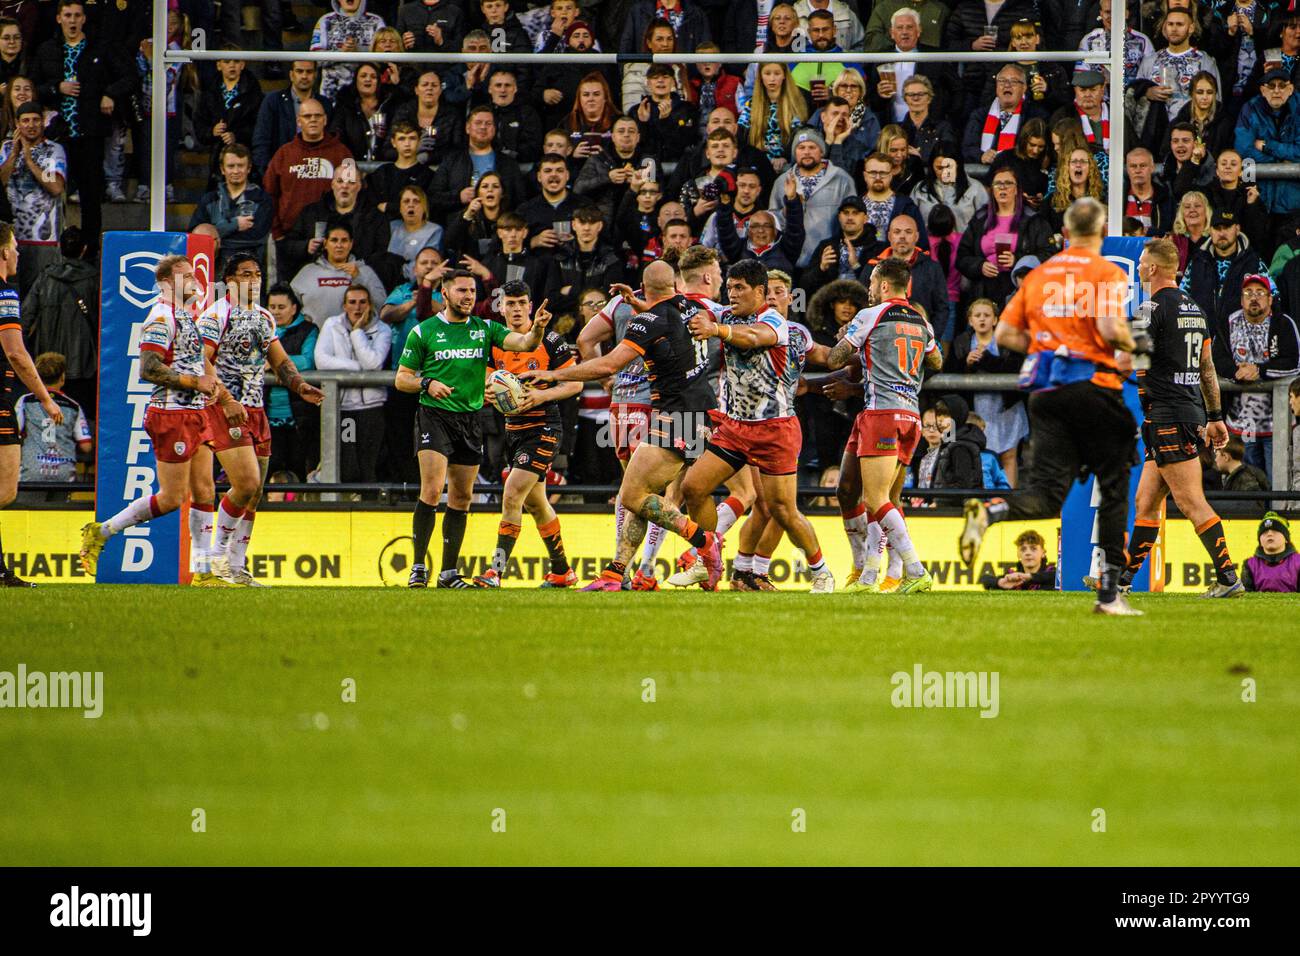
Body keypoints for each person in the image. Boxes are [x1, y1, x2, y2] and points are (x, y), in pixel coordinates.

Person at [959, 198, 1146, 616]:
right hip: (1093, 387)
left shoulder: (1040, 275)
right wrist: (1138, 348)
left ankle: (992, 510)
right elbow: (1111, 327)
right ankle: (1110, 594)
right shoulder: (1105, 272)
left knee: (1045, 495)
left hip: (1045, 393)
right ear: (1099, 234)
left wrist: (1046, 350)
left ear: (1065, 230)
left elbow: (1004, 334)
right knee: (1115, 487)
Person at [520, 260, 725, 590]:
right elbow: (666, 316)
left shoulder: (647, 321)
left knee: (631, 496)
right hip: (697, 411)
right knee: (639, 495)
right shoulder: (687, 304)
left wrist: (553, 374)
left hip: (679, 414)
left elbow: (609, 364)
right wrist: (640, 304)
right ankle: (617, 572)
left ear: (645, 287)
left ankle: (705, 543)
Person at [675, 258, 835, 593]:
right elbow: (693, 307)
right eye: (729, 287)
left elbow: (751, 338)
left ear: (758, 291)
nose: (731, 294)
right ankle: (709, 558)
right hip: (736, 427)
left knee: (782, 509)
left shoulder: (775, 322)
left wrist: (716, 329)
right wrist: (642, 303)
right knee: (693, 487)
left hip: (775, 429)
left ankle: (820, 570)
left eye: (739, 288)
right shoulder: (728, 313)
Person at [394, 269, 556, 589]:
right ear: (445, 294)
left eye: (472, 291)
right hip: (434, 416)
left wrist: (537, 329)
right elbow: (402, 378)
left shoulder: (484, 329)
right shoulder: (424, 332)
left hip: (470, 419)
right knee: (431, 488)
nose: (468, 296)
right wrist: (427, 382)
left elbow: (524, 343)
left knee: (462, 496)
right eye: (462, 291)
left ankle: (448, 573)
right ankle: (417, 567)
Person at [1111, 237, 1244, 598]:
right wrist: (1215, 416)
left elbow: (1126, 361)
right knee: (1146, 501)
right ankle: (1121, 582)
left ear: (1153, 268)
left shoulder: (1148, 309)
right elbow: (1207, 369)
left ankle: (1229, 578)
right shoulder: (1195, 310)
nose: (1138, 267)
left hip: (1167, 414)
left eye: (1141, 263)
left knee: (1189, 501)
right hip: (1184, 413)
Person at [79, 255, 217, 578]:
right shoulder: (160, 316)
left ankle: (204, 572)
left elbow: (191, 361)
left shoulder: (185, 315)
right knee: (172, 498)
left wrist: (214, 388)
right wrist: (195, 382)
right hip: (170, 414)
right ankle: (102, 531)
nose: (194, 279)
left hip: (194, 412)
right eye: (185, 275)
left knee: (206, 490)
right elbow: (149, 368)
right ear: (167, 283)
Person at [190, 254, 325, 586]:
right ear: (230, 281)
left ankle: (236, 566)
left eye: (257, 274)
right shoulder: (215, 316)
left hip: (255, 409)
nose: (254, 279)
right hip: (224, 408)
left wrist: (299, 384)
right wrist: (226, 398)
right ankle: (217, 560)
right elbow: (199, 361)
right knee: (245, 484)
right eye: (246, 274)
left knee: (255, 492)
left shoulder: (263, 317)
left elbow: (279, 360)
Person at [824, 256, 942, 593]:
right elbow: (936, 359)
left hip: (882, 414)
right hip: (910, 415)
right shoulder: (922, 322)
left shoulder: (870, 316)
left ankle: (915, 570)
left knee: (876, 499)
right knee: (861, 491)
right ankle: (869, 574)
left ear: (885, 284)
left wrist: (849, 336)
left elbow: (835, 357)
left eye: (873, 284)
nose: (869, 290)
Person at [473, 282, 581, 589]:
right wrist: (490, 392)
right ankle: (562, 571)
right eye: (511, 303)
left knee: (512, 494)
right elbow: (485, 381)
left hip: (544, 426)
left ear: (530, 306)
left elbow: (575, 384)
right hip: (512, 430)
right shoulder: (495, 341)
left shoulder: (552, 340)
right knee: (537, 503)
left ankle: (495, 571)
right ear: (501, 307)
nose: (517, 308)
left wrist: (542, 396)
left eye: (522, 303)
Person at [31, 0, 133, 250]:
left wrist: (110, 93)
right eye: (67, 15)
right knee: (51, 191)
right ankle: (54, 249)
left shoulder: (100, 48)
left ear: (84, 19)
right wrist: (57, 87)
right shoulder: (47, 50)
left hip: (90, 134)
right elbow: (34, 87)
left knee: (90, 195)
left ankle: (89, 252)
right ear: (58, 18)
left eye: (77, 15)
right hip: (56, 137)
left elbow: (129, 76)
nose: (73, 20)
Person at [1, 221, 63, 586]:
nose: (20, 253)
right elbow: (17, 354)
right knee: (6, 489)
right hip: (0, 398)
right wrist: (44, 398)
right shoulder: (5, 293)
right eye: (15, 246)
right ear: (5, 252)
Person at [1210, 272, 1300, 472]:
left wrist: (1259, 370)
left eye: (1260, 292)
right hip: (1239, 426)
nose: (1254, 297)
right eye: (1248, 292)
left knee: (1277, 485)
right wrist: (1236, 372)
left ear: (1269, 298)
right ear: (1241, 299)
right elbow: (1216, 359)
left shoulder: (1284, 323)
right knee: (1246, 486)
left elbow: (1293, 363)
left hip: (1277, 425)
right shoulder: (1228, 323)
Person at [314, 284, 391, 484]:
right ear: (344, 305)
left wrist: (357, 332)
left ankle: (370, 508)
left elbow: (374, 364)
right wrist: (357, 368)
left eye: (363, 302)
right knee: (348, 463)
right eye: (352, 302)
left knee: (369, 463)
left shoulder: (382, 329)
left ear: (371, 305)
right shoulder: (332, 324)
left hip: (372, 409)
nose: (357, 307)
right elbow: (321, 359)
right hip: (344, 409)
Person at [18, 226, 97, 418]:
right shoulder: (95, 279)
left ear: (59, 247)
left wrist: (24, 348)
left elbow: (26, 315)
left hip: (47, 360)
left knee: (45, 414)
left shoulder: (45, 277)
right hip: (83, 364)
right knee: (81, 416)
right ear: (84, 249)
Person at [262, 98, 353, 257]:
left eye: (317, 116)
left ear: (325, 120)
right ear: (299, 120)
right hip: (291, 239)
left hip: (332, 240)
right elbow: (269, 195)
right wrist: (277, 233)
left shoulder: (341, 153)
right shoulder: (284, 154)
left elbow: (354, 191)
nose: (313, 120)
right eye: (307, 116)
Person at [0, 100, 64, 294]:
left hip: (43, 240)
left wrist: (28, 158)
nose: (31, 125)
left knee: (40, 295)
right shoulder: (5, 148)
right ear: (17, 124)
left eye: (36, 120)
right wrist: (14, 155)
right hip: (11, 238)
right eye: (25, 120)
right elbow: (0, 182)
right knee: (10, 294)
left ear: (43, 122)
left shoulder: (53, 150)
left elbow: (55, 187)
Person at [187, 144, 274, 273]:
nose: (236, 171)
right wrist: (234, 225)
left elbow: (256, 237)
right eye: (231, 166)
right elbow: (196, 235)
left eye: (240, 165)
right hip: (212, 271)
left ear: (248, 168)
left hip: (248, 270)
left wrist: (215, 236)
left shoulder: (262, 199)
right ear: (222, 169)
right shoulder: (209, 199)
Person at [265, 283, 319, 482]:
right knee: (268, 471)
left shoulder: (308, 330)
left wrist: (274, 362)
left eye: (281, 307)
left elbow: (307, 360)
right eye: (272, 307)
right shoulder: (261, 328)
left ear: (294, 308)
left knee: (299, 469)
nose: (276, 312)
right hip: (267, 417)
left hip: (300, 417)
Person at [14, 350, 90, 485]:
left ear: (37, 376)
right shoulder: (73, 406)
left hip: (30, 472)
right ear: (62, 377)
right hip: (63, 474)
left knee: (26, 506)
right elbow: (86, 446)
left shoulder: (25, 401)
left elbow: (13, 433)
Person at [290, 221, 387, 327]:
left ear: (351, 244)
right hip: (314, 339)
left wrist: (358, 277)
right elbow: (288, 306)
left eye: (344, 240)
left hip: (354, 338)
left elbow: (381, 306)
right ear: (325, 243)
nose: (339, 245)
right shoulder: (307, 272)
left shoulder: (364, 271)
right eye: (334, 240)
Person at [193, 46, 264, 190]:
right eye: (227, 61)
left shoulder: (253, 92)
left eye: (236, 61)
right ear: (218, 65)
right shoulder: (208, 93)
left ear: (243, 64)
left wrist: (237, 136)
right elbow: (199, 125)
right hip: (216, 161)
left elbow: (260, 127)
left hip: (246, 157)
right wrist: (212, 131)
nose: (232, 65)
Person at [252, 60, 326, 176]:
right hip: (280, 173)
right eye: (299, 71)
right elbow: (261, 140)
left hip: (316, 173)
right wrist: (268, 174)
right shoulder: (273, 101)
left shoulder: (324, 104)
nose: (304, 76)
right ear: (291, 75)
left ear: (316, 75)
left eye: (309, 72)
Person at [310, 0, 385, 104]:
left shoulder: (376, 21)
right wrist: (341, 52)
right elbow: (315, 60)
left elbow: (384, 57)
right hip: (331, 95)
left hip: (368, 95)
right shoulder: (325, 20)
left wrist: (358, 50)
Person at [979, 528, 1056, 590]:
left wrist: (1029, 577)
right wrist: (1000, 582)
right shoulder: (1013, 576)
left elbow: (1055, 577)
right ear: (1018, 554)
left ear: (1043, 553)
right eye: (1023, 549)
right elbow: (985, 579)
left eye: (1033, 549)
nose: (1028, 553)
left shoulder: (1052, 573)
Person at [1242, 511, 1300, 591]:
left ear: (1286, 539)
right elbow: (1245, 595)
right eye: (1265, 532)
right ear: (1260, 541)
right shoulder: (1250, 564)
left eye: (1275, 531)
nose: (1269, 534)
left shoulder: (1298, 562)